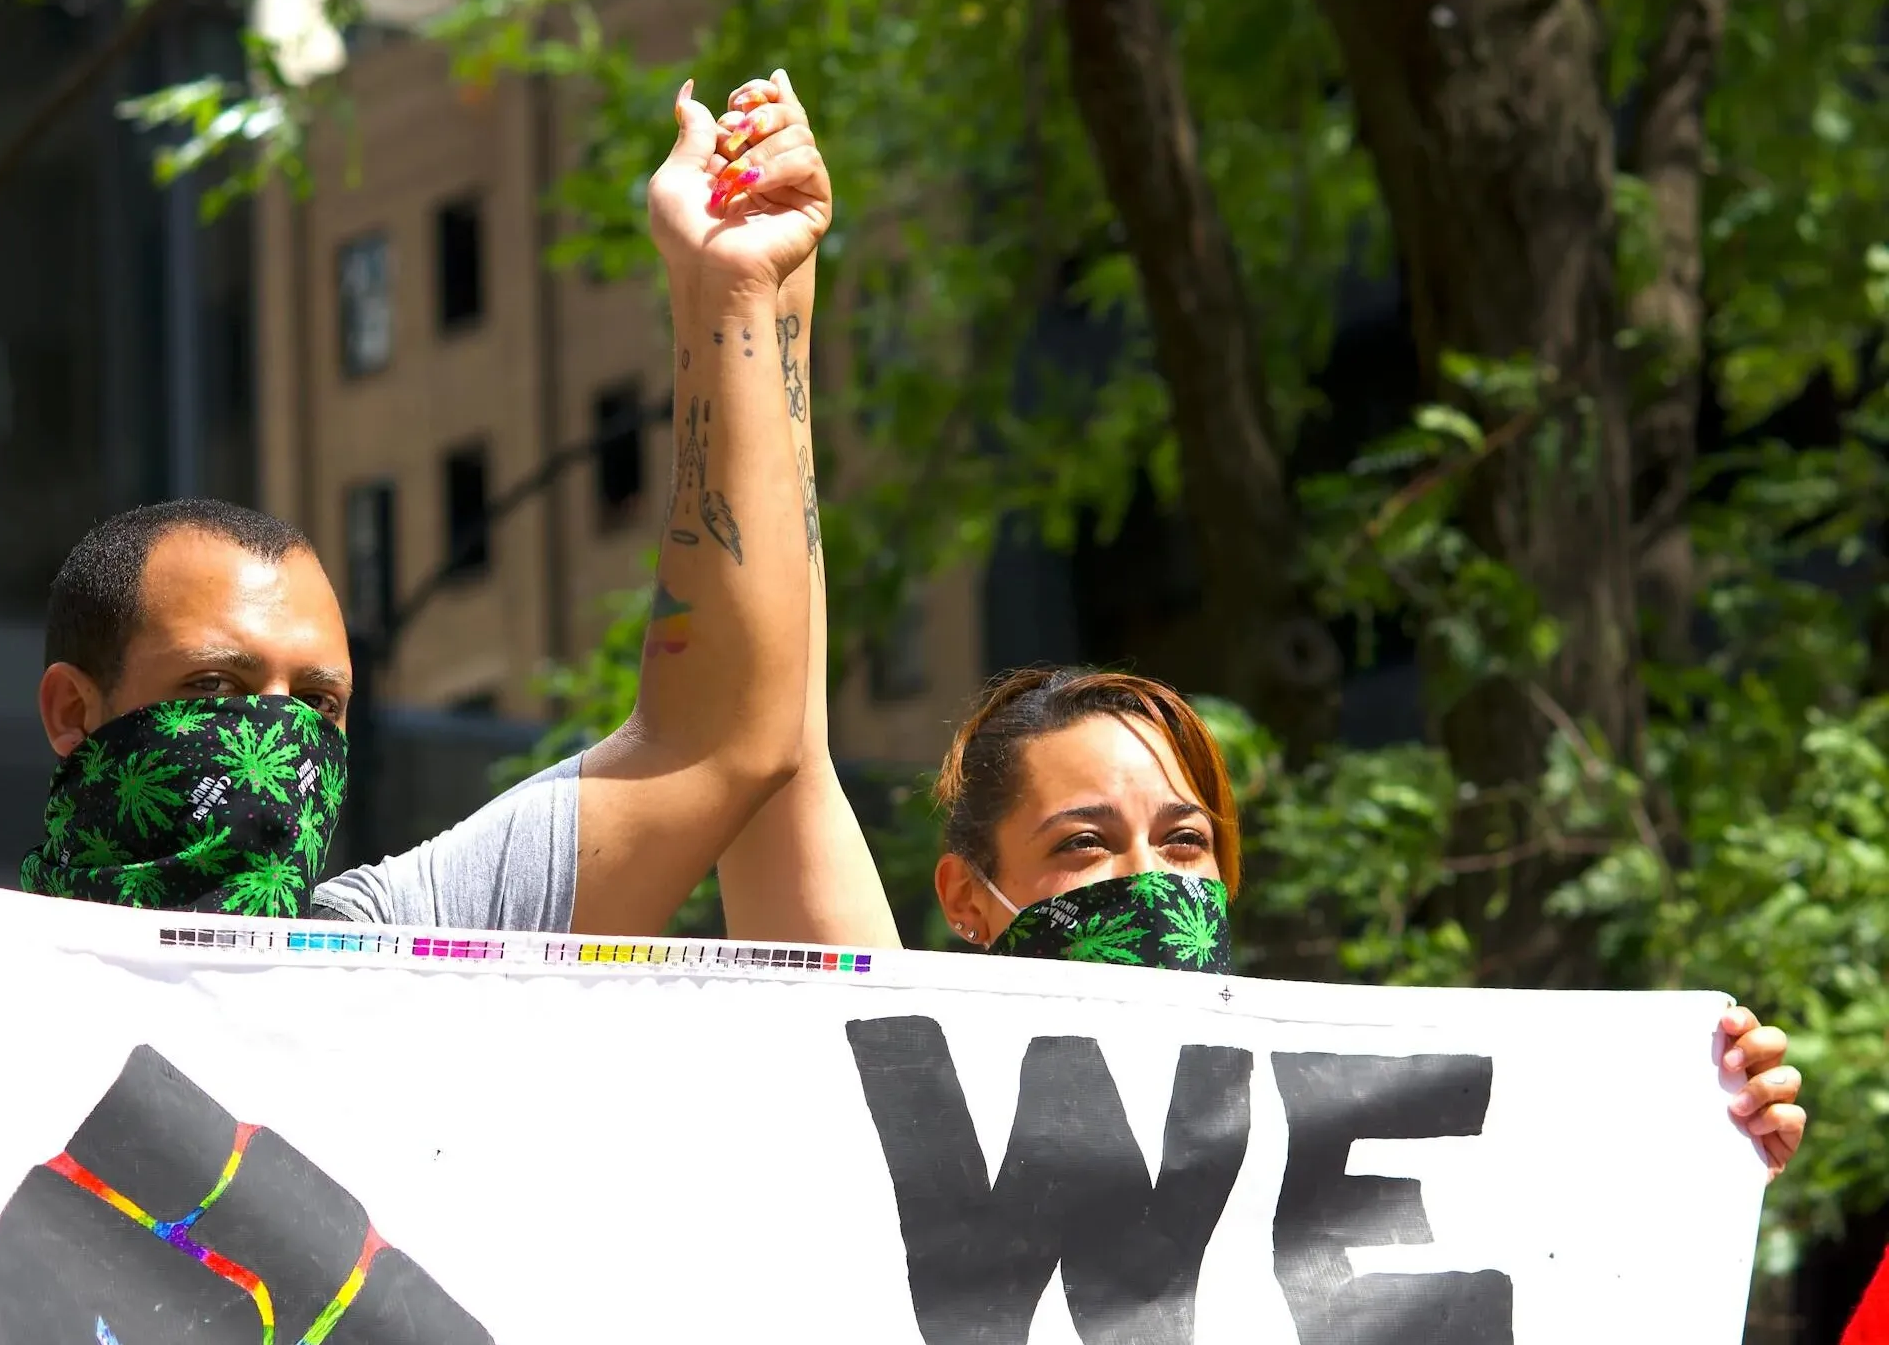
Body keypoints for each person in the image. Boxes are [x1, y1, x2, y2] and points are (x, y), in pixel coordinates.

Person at [0, 72, 834, 1345]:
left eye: (323, 706)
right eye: (220, 690)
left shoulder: (400, 954)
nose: (280, 742)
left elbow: (724, 734)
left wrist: (735, 303)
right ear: (73, 713)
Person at [700, 70, 1809, 1180]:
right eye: (1084, 844)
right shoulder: (899, 1111)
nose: (1152, 884)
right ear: (967, 900)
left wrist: (1702, 1135)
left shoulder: (1342, 1156)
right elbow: (766, 748)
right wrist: (764, 311)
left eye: (1185, 843)